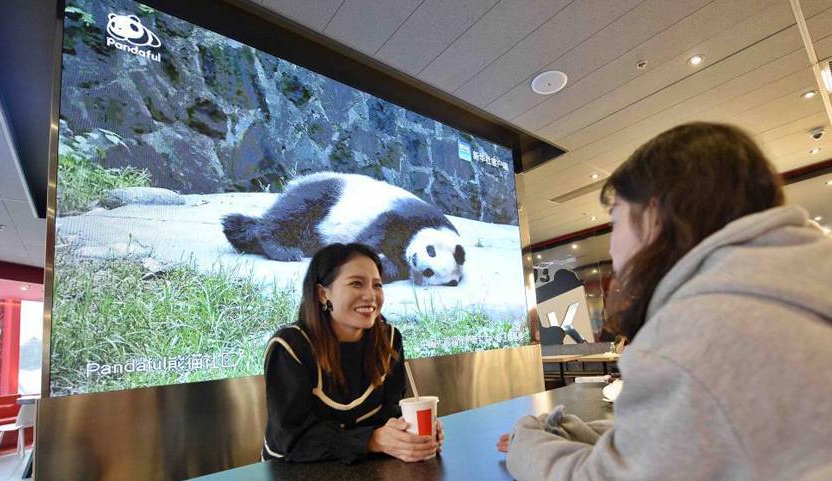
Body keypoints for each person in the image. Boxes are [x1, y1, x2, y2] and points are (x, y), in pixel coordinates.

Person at [498, 122, 832, 480]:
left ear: (654, 218)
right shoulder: (794, 292)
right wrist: (570, 432)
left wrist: (525, 438)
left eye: (615, 222)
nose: (612, 248)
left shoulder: (694, 333)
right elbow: (690, 438)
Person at [262, 243, 443, 464]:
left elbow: (391, 409)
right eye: (356, 284)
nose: (371, 295)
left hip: (367, 467)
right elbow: (291, 438)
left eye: (377, 285)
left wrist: (408, 431)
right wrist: (371, 441)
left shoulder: (390, 339)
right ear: (322, 294)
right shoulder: (291, 346)